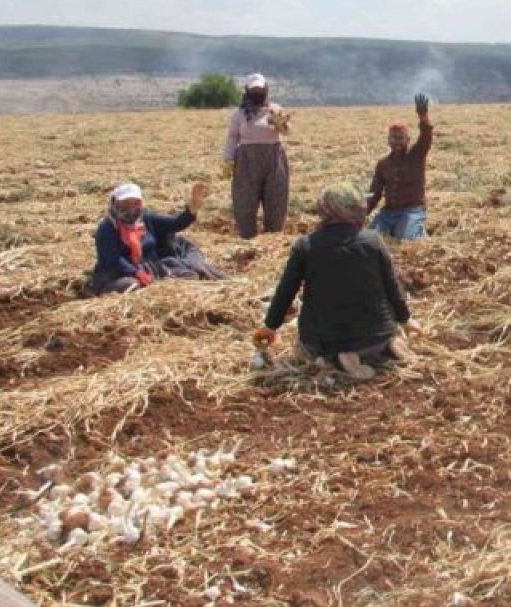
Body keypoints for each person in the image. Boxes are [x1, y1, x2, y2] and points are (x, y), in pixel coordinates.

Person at [255, 183, 417, 381]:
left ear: (324, 210)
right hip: (377, 335)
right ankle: (387, 347)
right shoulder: (374, 241)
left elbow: (285, 292)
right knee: (381, 331)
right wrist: (406, 320)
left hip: (325, 341)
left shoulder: (306, 246)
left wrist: (270, 327)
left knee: (310, 347)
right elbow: (392, 287)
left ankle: (341, 360)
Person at [91, 182, 225, 294]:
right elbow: (113, 259)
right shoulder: (107, 228)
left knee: (187, 276)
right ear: (115, 203)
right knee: (131, 286)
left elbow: (175, 224)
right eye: (126, 203)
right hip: (118, 272)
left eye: (135, 203)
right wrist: (136, 273)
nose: (131, 208)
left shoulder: (146, 219)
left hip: (150, 267)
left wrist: (192, 209)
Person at [222, 73, 291, 239]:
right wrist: (228, 160)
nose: (257, 93)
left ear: (266, 90)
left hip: (273, 159)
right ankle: (247, 238)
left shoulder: (274, 109)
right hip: (246, 161)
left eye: (260, 90)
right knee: (245, 201)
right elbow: (232, 137)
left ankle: (272, 238)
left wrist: (281, 123)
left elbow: (287, 131)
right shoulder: (240, 114)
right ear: (247, 91)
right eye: (254, 90)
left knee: (276, 198)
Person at [366, 94, 433, 240]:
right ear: (388, 140)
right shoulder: (383, 164)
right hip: (388, 213)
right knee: (372, 238)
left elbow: (426, 136)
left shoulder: (416, 155)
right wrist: (359, 213)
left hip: (412, 211)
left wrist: (423, 116)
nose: (397, 142)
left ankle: (419, 232)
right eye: (393, 138)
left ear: (407, 140)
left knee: (405, 238)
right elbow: (374, 193)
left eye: (401, 138)